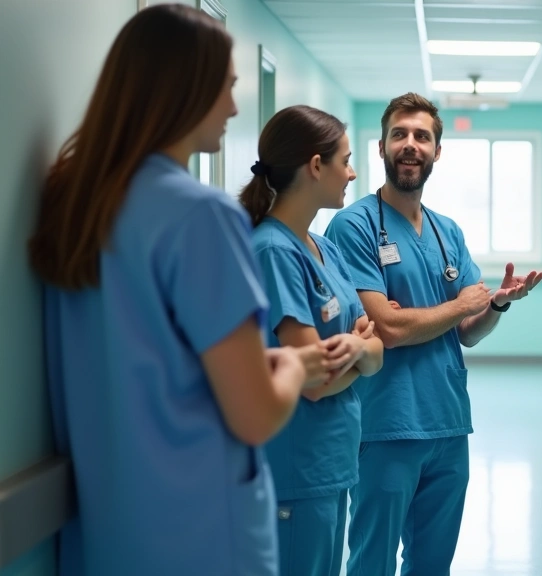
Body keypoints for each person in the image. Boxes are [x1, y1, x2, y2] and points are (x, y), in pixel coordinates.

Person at [27, 6, 349, 575]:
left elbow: (147, 358)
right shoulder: (201, 216)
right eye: (225, 88)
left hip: (108, 526)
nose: (232, 107)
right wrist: (297, 367)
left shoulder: (76, 203)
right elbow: (254, 416)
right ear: (183, 90)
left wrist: (259, 359)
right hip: (201, 528)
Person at [324, 92, 542, 575]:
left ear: (437, 151)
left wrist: (495, 305)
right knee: (373, 561)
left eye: (422, 136)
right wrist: (456, 305)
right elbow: (387, 328)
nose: (410, 145)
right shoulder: (355, 226)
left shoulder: (448, 231)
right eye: (399, 134)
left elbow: (468, 330)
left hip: (447, 422)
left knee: (433, 564)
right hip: (386, 423)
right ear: (380, 147)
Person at [239, 105, 385, 576]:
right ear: (315, 166)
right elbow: (313, 380)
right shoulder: (273, 251)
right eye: (345, 159)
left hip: (330, 463)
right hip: (295, 468)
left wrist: (360, 349)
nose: (353, 171)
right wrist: (357, 349)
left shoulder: (325, 247)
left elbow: (376, 348)